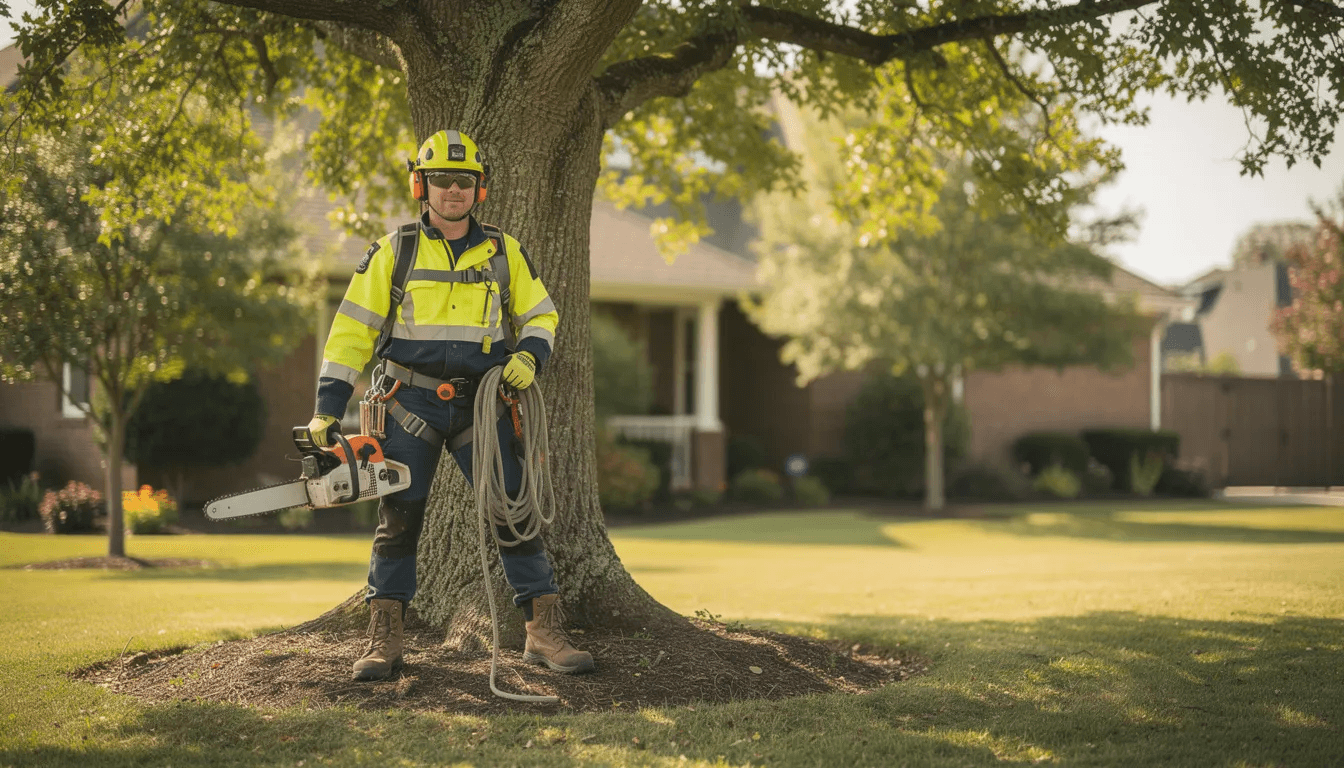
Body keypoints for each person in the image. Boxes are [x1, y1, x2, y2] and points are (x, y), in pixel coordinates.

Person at [308, 129, 593, 681]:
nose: (453, 190)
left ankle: (542, 632)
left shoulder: (505, 252)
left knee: (513, 509)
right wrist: (327, 407)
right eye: (441, 179)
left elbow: (542, 315)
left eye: (464, 181)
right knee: (399, 518)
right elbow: (350, 334)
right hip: (407, 403)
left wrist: (531, 356)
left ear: (479, 190)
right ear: (422, 185)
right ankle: (384, 636)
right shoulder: (394, 251)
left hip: (482, 407)